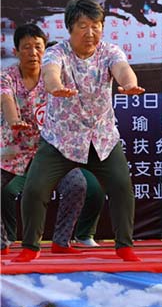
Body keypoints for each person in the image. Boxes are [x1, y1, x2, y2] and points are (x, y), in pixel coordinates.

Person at [14, 0, 144, 262]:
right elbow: (50, 73)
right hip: (60, 139)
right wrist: (55, 86)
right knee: (35, 189)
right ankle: (30, 247)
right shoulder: (56, 52)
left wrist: (129, 85)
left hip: (102, 138)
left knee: (121, 188)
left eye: (96, 26)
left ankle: (124, 246)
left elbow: (123, 70)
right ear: (70, 28)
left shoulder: (110, 52)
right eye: (83, 26)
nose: (90, 32)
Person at [1, 25, 104, 255]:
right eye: (26, 47)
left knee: (78, 184)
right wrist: (14, 120)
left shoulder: (55, 75)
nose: (33, 53)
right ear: (16, 51)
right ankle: (2, 242)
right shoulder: (7, 77)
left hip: (50, 151)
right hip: (13, 152)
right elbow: (6, 100)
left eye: (38, 47)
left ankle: (61, 241)